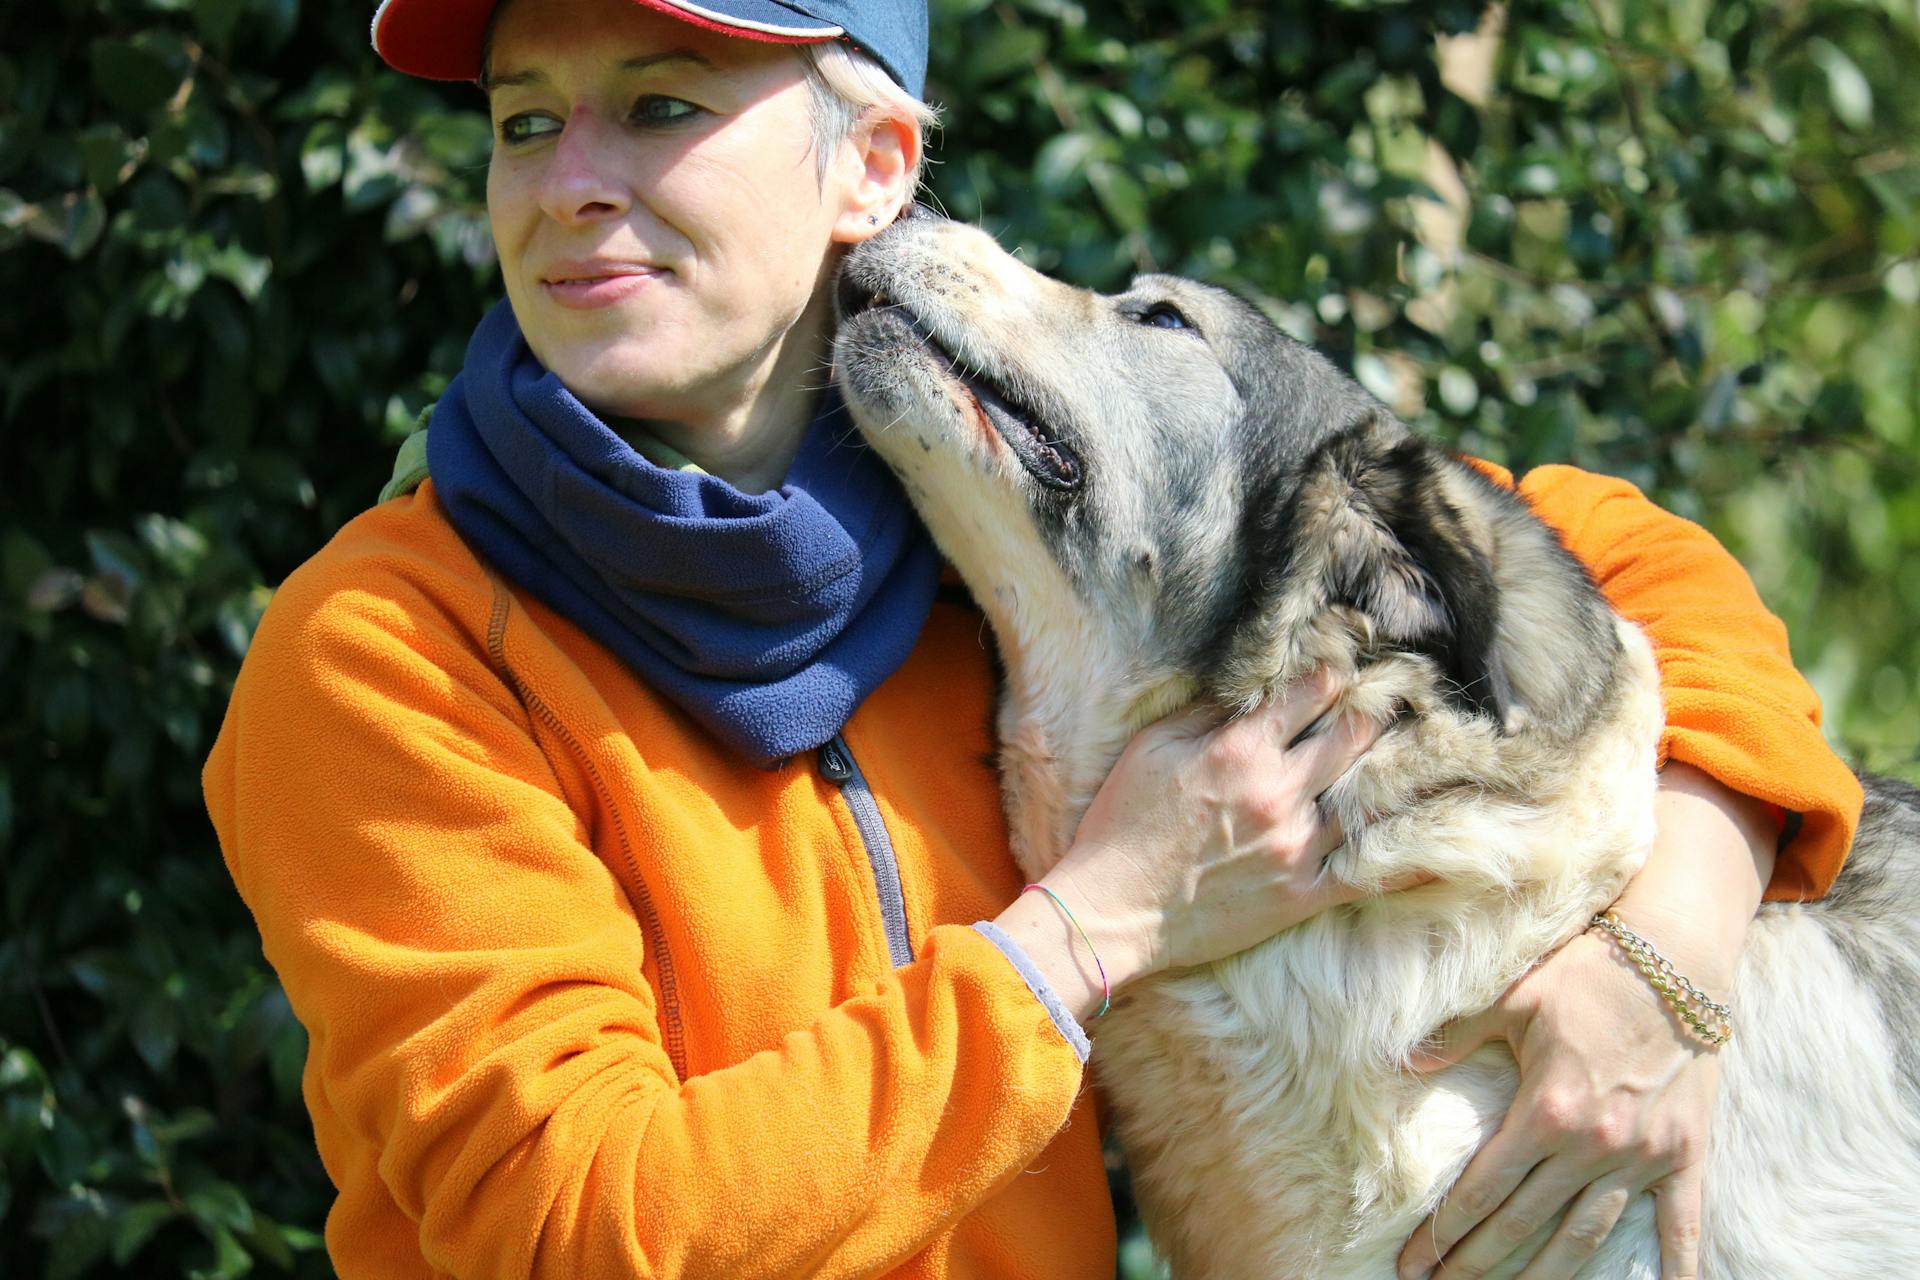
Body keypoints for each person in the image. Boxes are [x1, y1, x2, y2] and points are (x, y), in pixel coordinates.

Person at [203, 1, 1863, 1277]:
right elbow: (574, 1226)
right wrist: (1098, 919)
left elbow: (1604, 556)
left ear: (875, 168)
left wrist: (1680, 931)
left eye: (658, 108)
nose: (569, 185)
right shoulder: (383, 650)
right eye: (523, 121)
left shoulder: (989, 495)